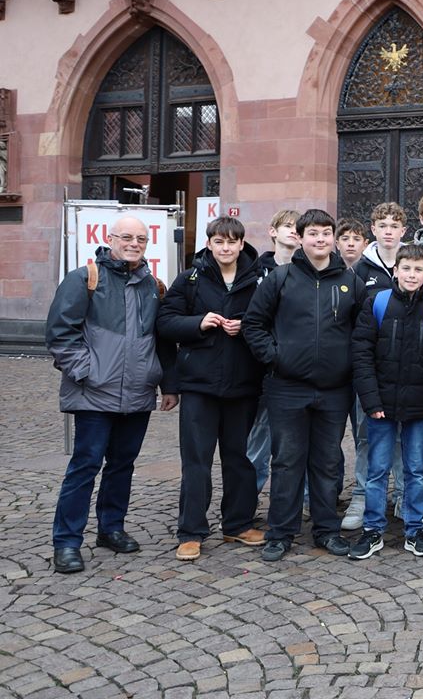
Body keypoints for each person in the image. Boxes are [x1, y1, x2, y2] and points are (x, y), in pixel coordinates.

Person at [46, 215, 179, 574]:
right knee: (84, 467)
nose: (133, 243)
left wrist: (168, 384)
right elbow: (60, 333)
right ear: (110, 238)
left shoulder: (154, 286)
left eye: (140, 238)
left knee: (122, 466)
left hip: (137, 393)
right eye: (126, 237)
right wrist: (85, 371)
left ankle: (111, 529)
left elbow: (162, 340)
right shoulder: (85, 278)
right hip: (93, 392)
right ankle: (67, 542)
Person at [242, 208, 367, 561]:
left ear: (333, 238)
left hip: (333, 389)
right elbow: (254, 324)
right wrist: (276, 356)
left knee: (328, 462)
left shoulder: (350, 282)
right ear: (300, 237)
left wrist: (348, 365)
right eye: (313, 233)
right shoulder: (280, 279)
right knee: (287, 461)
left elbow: (363, 331)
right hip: (287, 387)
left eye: (327, 233)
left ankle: (326, 530)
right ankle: (281, 532)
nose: (321, 239)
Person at [157, 215, 266, 561]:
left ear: (241, 243)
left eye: (232, 241)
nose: (226, 248)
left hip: (243, 384)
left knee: (239, 459)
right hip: (199, 386)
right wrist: (198, 323)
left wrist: (246, 325)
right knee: (197, 462)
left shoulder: (259, 280)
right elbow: (164, 322)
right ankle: (191, 531)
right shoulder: (190, 279)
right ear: (209, 244)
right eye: (219, 242)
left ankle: (237, 523)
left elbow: (271, 322)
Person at [349, 244, 423, 560]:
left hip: (419, 408)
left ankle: (414, 528)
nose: (411, 274)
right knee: (378, 469)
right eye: (405, 268)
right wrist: (371, 400)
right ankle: (373, 530)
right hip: (381, 404)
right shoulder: (377, 303)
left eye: (417, 269)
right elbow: (362, 354)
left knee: (415, 470)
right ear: (396, 270)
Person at [354, 202, 409, 525]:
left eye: (394, 225)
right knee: (366, 436)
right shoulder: (361, 270)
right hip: (373, 371)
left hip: (407, 369)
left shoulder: (411, 264)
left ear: (403, 230)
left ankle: (403, 496)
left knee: (405, 439)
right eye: (382, 224)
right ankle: (362, 498)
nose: (388, 231)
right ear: (373, 229)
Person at [247, 208, 300, 494]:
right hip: (263, 368)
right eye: (286, 226)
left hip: (298, 369)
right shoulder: (255, 272)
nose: (292, 230)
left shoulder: (308, 271)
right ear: (272, 231)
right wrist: (271, 354)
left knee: (298, 443)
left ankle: (303, 499)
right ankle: (249, 499)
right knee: (258, 440)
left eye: (296, 227)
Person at [333, 217, 369, 531]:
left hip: (361, 368)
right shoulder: (326, 272)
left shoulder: (370, 275)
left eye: (356, 238)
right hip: (330, 369)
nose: (350, 243)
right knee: (328, 437)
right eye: (345, 238)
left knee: (364, 436)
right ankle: (326, 492)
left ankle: (364, 493)